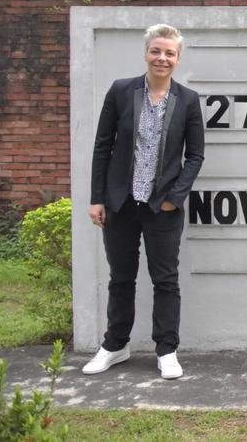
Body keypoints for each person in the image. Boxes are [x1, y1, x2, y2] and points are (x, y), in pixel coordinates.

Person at [82, 24, 205, 379]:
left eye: (169, 53)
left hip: (162, 208)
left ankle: (167, 350)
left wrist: (174, 198)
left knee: (165, 280)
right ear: (146, 53)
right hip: (120, 203)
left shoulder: (188, 100)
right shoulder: (121, 92)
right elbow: (102, 146)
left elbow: (195, 155)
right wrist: (97, 198)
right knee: (121, 278)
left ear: (177, 59)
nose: (161, 58)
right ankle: (115, 346)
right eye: (156, 51)